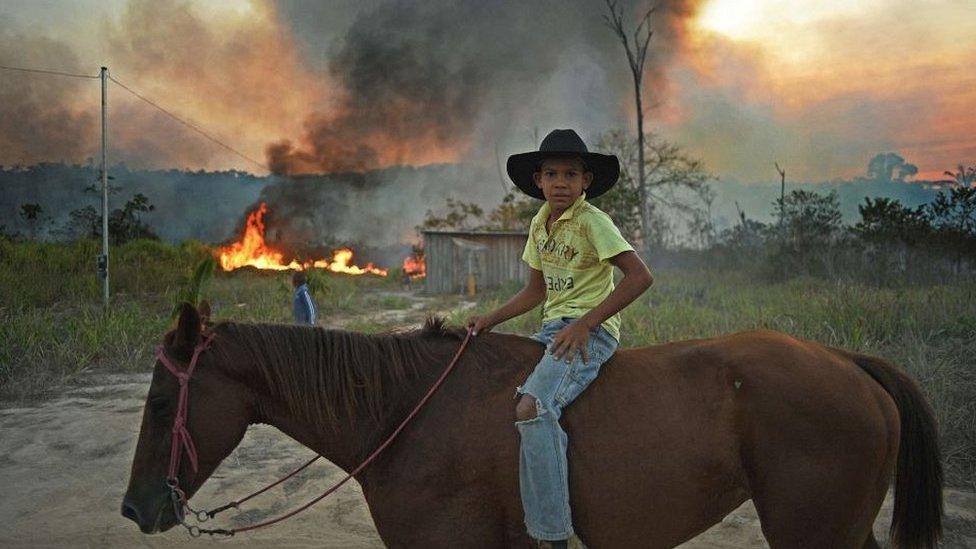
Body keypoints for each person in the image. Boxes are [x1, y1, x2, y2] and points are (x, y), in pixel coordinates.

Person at [468, 129, 653, 548]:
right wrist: (491, 319)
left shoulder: (593, 222)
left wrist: (587, 323)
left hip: (590, 332)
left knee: (533, 406)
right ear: (538, 181)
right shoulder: (539, 223)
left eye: (571, 174)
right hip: (552, 328)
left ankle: (554, 535)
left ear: (586, 181)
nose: (560, 183)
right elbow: (536, 291)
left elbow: (641, 276)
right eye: (551, 174)